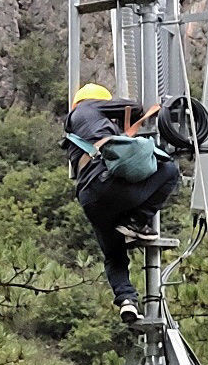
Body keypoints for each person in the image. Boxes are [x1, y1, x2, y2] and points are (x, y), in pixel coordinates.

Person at [63, 82, 179, 325]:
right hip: (110, 183)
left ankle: (126, 300)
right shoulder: (88, 107)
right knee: (169, 169)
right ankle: (137, 220)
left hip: (90, 197)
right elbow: (133, 106)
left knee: (114, 255)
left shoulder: (74, 130)